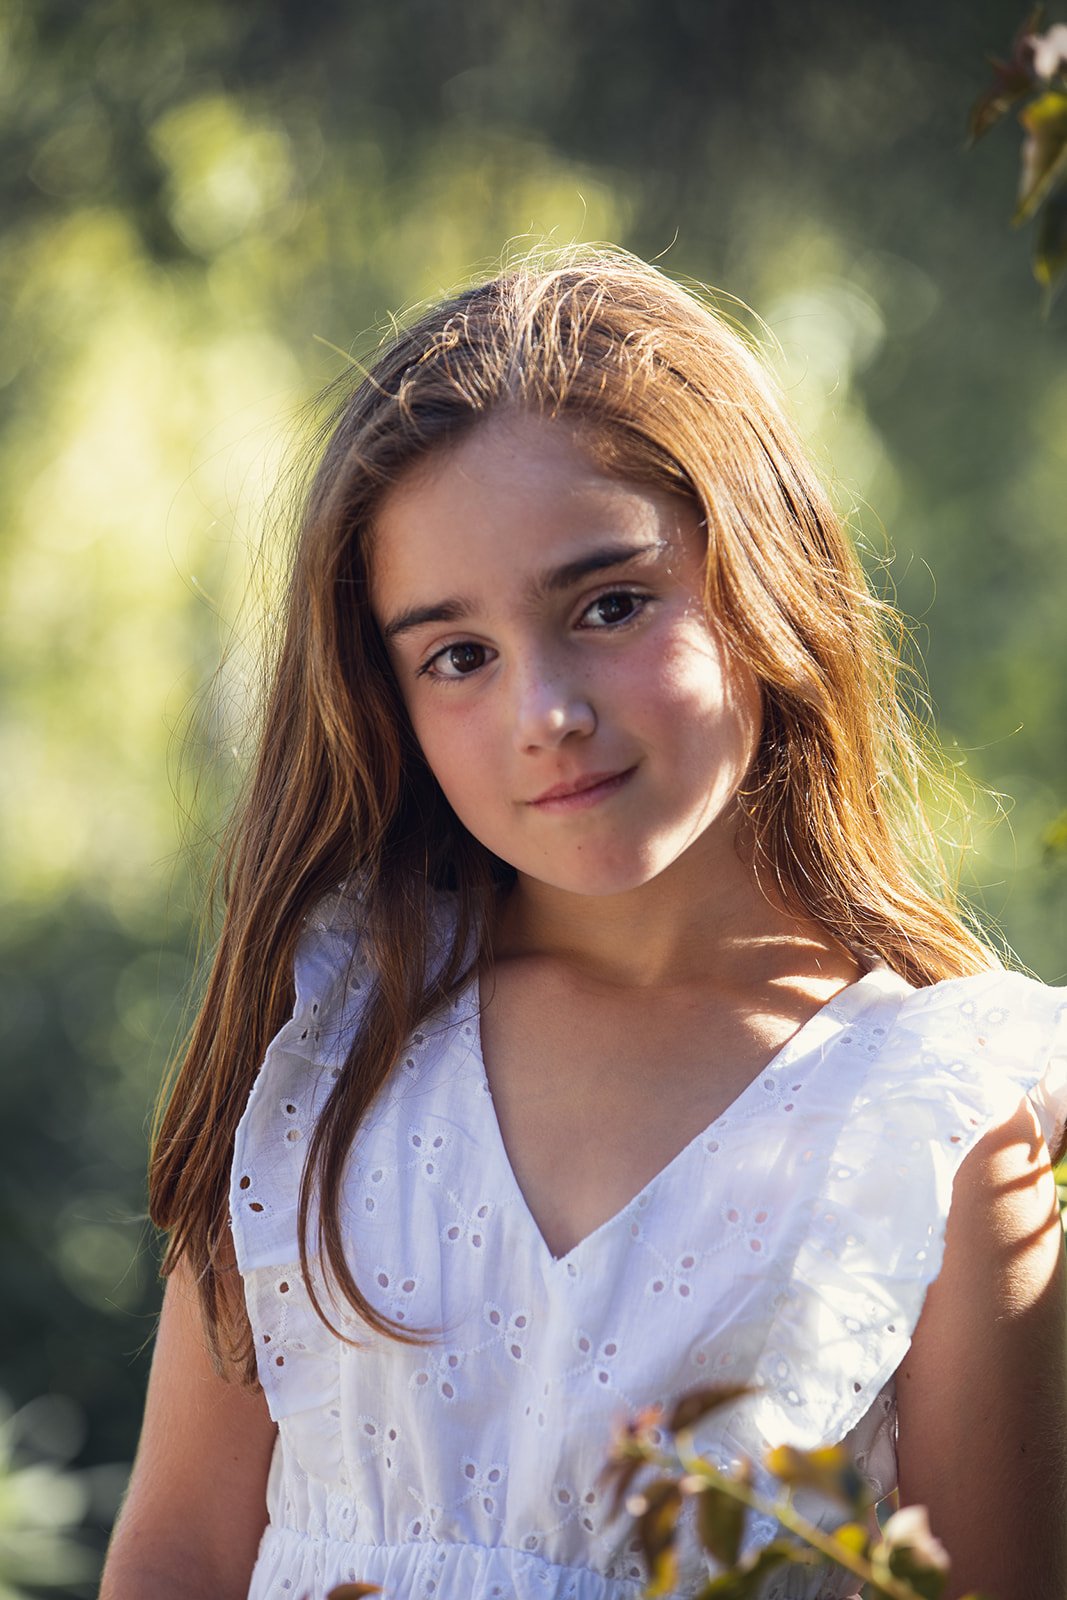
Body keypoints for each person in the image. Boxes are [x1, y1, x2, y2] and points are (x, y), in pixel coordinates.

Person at [100, 248, 1067, 1600]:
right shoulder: (330, 1028)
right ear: (389, 695)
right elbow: (182, 1551)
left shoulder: (941, 1117)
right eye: (459, 656)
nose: (544, 709)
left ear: (760, 579)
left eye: (609, 605)